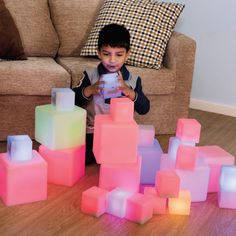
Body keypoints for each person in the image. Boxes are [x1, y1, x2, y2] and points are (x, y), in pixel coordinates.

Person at [73, 23, 150, 165]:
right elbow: (72, 100)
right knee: (80, 159)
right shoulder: (90, 76)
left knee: (129, 159)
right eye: (106, 54)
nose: (112, 60)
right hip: (93, 133)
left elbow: (144, 108)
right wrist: (90, 89)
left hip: (120, 134)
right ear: (99, 53)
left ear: (127, 54)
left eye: (119, 55)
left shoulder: (133, 80)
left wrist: (129, 92)